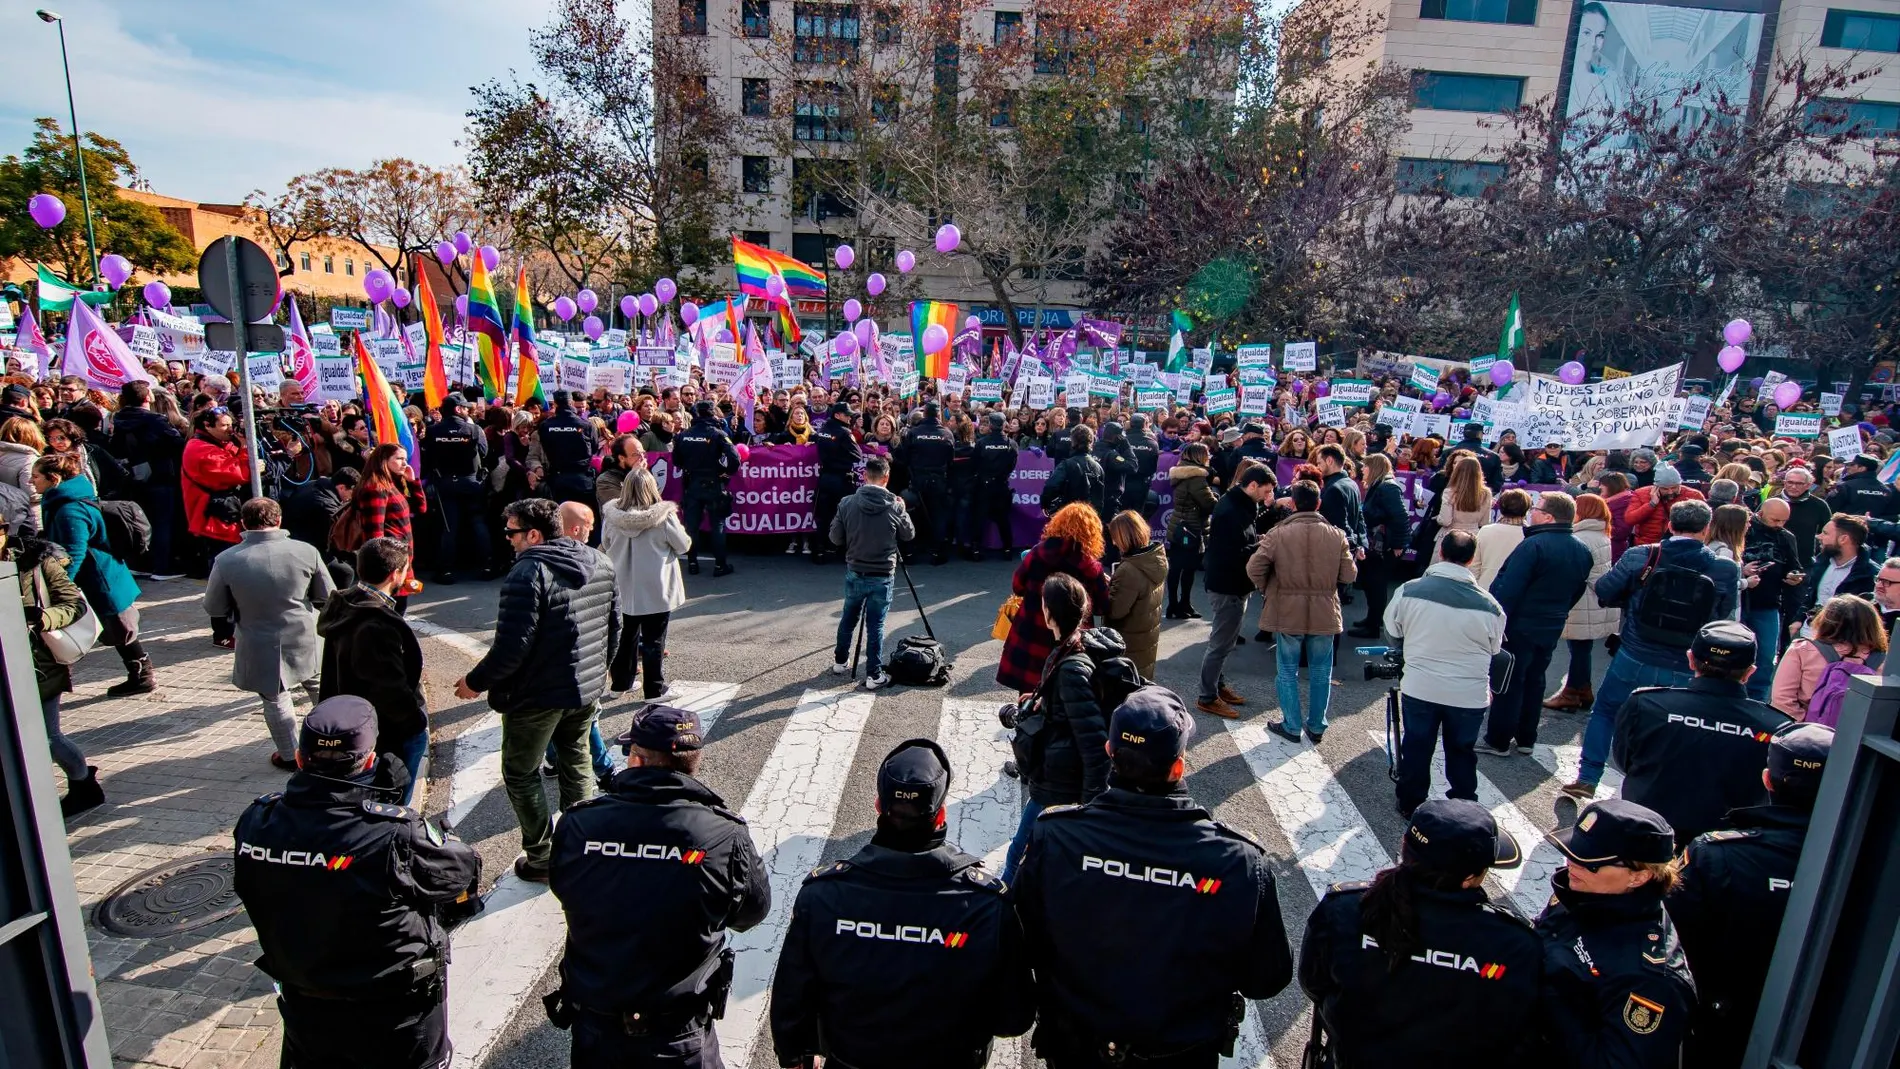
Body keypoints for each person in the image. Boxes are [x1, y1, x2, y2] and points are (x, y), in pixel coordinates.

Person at [1015, 685, 1294, 1068]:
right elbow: (1266, 979)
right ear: (1178, 766)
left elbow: (1021, 941)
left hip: (1074, 1045)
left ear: (1110, 752)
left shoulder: (1056, 835)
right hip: (1179, 1054)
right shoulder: (1239, 861)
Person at [233, 696, 480, 1069]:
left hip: (306, 1008)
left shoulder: (256, 820)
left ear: (299, 760)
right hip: (395, 1015)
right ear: (369, 760)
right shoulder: (395, 832)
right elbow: (461, 873)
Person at [771, 739, 1034, 1069]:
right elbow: (1015, 1018)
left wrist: (796, 1056)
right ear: (940, 814)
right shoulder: (987, 904)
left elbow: (791, 1000)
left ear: (879, 806)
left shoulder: (822, 894)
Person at [544, 703, 769, 1068]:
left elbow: (563, 886)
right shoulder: (725, 834)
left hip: (597, 1030)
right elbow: (751, 912)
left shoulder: (579, 824)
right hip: (681, 1034)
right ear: (692, 762)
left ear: (636, 761)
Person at [1300, 800, 1542, 1067]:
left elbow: (1314, 983)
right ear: (1469, 878)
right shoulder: (1514, 943)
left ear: (1405, 847)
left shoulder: (1345, 908)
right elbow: (1516, 1028)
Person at [453, 498, 619, 882]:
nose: (508, 540)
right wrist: (598, 673)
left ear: (533, 533)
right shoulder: (601, 562)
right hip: (583, 688)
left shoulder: (527, 573)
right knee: (576, 763)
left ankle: (542, 857)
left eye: (512, 532)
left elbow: (512, 647)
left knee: (521, 771)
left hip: (535, 696)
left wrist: (474, 683)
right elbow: (616, 629)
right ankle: (580, 846)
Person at [1670, 723, 1834, 1069]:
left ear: (1767, 779)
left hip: (1720, 1021)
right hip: (1828, 1026)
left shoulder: (1717, 853)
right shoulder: (1867, 860)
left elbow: (1672, 940)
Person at [1569, 499, 1739, 798]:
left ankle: (1588, 775)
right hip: (1686, 659)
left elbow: (1606, 590)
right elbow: (1723, 612)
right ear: (1706, 528)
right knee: (1672, 725)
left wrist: (1632, 599)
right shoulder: (1723, 567)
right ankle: (1654, 788)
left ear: (1670, 524)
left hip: (1636, 651)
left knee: (1607, 711)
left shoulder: (1643, 555)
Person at [1537, 799, 1697, 1069]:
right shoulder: (1582, 892)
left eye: (1592, 864)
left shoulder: (1651, 980)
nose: (1571, 866)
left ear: (1640, 877)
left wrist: (1542, 993)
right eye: (1573, 853)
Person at [1613, 622, 1788, 848]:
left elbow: (1624, 760)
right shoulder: (1776, 726)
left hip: (1644, 835)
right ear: (1750, 672)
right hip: (1725, 848)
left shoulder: (1646, 704)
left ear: (1690, 659)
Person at [204, 497, 336, 770]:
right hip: (304, 635)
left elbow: (214, 606)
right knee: (320, 687)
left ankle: (290, 755)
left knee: (274, 697)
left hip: (258, 638)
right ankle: (333, 742)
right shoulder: (306, 551)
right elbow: (327, 595)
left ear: (243, 523)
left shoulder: (226, 560)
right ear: (278, 520)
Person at [999, 573, 1111, 885]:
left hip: (1059, 781)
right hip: (1059, 773)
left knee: (1019, 852)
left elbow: (1093, 743)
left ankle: (1002, 908)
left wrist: (1092, 807)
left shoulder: (1072, 666)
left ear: (1050, 613)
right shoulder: (1072, 645)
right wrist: (1040, 701)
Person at [1383, 530, 1505, 816]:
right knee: (1462, 751)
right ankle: (1463, 806)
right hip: (1468, 693)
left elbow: (1392, 630)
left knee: (1416, 745)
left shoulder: (1409, 590)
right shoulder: (1491, 606)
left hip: (1421, 684)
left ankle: (1411, 802)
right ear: (1472, 559)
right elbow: (1495, 648)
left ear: (1441, 553)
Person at [33, 453, 159, 698]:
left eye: (36, 476)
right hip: (101, 577)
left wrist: (61, 585)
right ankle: (140, 673)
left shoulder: (69, 509)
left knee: (120, 629)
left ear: (54, 478)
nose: (31, 481)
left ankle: (143, 675)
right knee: (118, 629)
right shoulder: (65, 500)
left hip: (101, 580)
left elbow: (74, 552)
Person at [1482, 491, 1594, 757]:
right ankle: (1526, 738)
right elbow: (1577, 590)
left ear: (1548, 516)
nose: (1531, 512)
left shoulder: (1534, 545)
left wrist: (1497, 621)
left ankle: (1498, 740)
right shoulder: (1581, 549)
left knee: (1510, 680)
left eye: (1537, 508)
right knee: (1536, 679)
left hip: (1520, 624)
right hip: (1552, 623)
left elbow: (1509, 588)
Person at [317, 538, 429, 798]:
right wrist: (414, 721)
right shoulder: (376, 624)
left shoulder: (344, 605)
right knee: (394, 797)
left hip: (352, 720)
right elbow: (386, 684)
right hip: (386, 728)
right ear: (395, 574)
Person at [7, 518, 104, 814]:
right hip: (6, 667)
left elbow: (74, 605)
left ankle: (84, 784)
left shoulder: (35, 561)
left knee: (48, 737)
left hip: (39, 667)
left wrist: (44, 618)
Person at [1249, 480, 1356, 743]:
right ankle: (1317, 724)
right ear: (1318, 503)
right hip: (1324, 608)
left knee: (1287, 669)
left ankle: (1292, 724)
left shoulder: (1278, 533)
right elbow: (1350, 573)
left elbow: (1254, 568)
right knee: (1321, 671)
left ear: (1293, 504)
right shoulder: (1336, 534)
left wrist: (1268, 589)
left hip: (1287, 607)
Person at [600, 461, 692, 702]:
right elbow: (683, 545)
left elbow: (606, 544)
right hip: (656, 587)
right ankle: (654, 688)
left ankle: (620, 683)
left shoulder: (611, 517)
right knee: (654, 640)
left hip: (622, 585)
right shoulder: (664, 517)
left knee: (624, 637)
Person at [996, 503, 1110, 695]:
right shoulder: (1090, 566)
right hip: (1070, 638)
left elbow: (1018, 586)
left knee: (1027, 695)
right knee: (1062, 694)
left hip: (1031, 631)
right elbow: (1102, 607)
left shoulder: (1038, 552)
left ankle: (1026, 722)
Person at [823, 454, 916, 688]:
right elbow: (909, 535)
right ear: (887, 477)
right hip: (883, 573)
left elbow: (835, 538)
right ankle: (874, 674)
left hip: (855, 569)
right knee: (876, 625)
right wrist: (902, 510)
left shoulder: (846, 502)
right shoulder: (894, 505)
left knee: (848, 618)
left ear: (865, 476)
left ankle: (840, 661)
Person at [1196, 465, 1276, 719]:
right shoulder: (1231, 510)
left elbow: (1242, 541)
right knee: (1221, 644)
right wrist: (1259, 544)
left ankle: (1216, 686)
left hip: (1234, 583)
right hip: (1227, 584)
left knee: (1226, 642)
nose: (1267, 496)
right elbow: (1233, 552)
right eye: (1265, 490)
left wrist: (1256, 539)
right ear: (1252, 485)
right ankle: (1207, 696)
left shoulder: (1240, 504)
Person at [182, 406, 251, 639]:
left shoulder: (214, 443)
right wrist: (245, 451)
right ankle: (224, 632)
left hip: (224, 520)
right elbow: (237, 472)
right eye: (224, 425)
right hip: (215, 523)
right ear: (207, 427)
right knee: (224, 581)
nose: (230, 429)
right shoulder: (199, 449)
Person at [1549, 493, 1621, 712]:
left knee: (1579, 647)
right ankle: (1581, 689)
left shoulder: (1582, 537)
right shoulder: (1599, 533)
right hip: (1593, 600)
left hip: (1582, 600)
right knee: (1582, 648)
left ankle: (1572, 692)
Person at [109, 380, 186, 580]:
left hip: (134, 478)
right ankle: (162, 567)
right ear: (147, 397)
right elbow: (177, 443)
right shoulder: (155, 420)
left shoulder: (119, 419)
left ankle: (141, 563)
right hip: (160, 476)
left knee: (141, 521)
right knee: (162, 523)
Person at [1771, 592, 1887, 718]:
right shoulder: (1884, 660)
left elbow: (1781, 698)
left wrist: (1806, 728)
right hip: (1857, 733)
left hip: (1809, 732)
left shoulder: (1803, 649)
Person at [422, 394, 489, 583]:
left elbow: (428, 457)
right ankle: (486, 566)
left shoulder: (433, 431)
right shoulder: (474, 429)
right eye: (465, 408)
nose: (468, 410)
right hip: (470, 482)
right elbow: (484, 452)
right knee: (477, 522)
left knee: (449, 527)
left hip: (445, 484)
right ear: (458, 410)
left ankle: (446, 571)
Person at [1739, 497, 1801, 700]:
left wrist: (1793, 577)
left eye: (1784, 521)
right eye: (1775, 520)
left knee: (1765, 656)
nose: (1780, 525)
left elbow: (1794, 565)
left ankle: (1756, 700)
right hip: (1740, 600)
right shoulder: (1744, 529)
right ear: (1761, 513)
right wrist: (1742, 571)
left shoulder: (1786, 537)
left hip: (1768, 603)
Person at [674, 400, 741, 577]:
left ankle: (692, 563)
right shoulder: (718, 434)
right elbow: (735, 458)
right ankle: (720, 565)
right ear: (712, 414)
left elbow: (676, 460)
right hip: (713, 483)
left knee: (692, 527)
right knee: (717, 524)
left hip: (692, 484)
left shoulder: (684, 435)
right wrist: (726, 473)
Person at [1350, 452, 1410, 638]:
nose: (1362, 470)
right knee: (1370, 583)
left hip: (1384, 547)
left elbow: (1400, 517)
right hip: (1376, 545)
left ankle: (1374, 626)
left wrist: (1399, 544)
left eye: (1365, 467)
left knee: (1377, 584)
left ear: (1374, 467)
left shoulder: (1387, 488)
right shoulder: (1379, 486)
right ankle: (1371, 619)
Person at [1105, 510, 1166, 677]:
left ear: (1125, 538)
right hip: (1145, 642)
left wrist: (1107, 588)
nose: (1114, 543)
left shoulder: (1129, 570)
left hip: (1128, 646)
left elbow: (1115, 611)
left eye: (1116, 538)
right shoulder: (1154, 558)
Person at [1165, 442, 1220, 620]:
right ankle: (1182, 603)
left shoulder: (1181, 473)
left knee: (1177, 567)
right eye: (1207, 454)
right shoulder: (1196, 478)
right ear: (1199, 456)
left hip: (1179, 527)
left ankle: (1176, 604)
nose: (1209, 457)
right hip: (1191, 529)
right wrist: (1216, 496)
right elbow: (1209, 504)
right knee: (1187, 568)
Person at [898, 400, 956, 564]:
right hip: (938, 480)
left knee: (912, 515)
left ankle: (909, 552)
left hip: (918, 480)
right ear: (938, 414)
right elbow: (951, 460)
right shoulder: (947, 434)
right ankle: (937, 552)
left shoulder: (914, 432)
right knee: (938, 516)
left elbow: (904, 458)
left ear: (924, 414)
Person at [1794, 513, 1877, 623]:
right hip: (1808, 631)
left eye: (1825, 533)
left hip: (1839, 637)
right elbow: (1810, 595)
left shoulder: (1869, 574)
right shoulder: (1821, 562)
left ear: (1843, 539)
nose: (1819, 536)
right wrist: (1798, 620)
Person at [810, 401, 864, 564]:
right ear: (837, 415)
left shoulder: (823, 429)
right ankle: (843, 551)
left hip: (825, 478)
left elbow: (814, 439)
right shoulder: (845, 432)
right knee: (845, 515)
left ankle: (819, 551)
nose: (849, 418)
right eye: (847, 415)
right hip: (842, 479)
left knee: (822, 516)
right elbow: (857, 455)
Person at [538, 390, 600, 508]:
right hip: (582, 480)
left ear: (555, 404)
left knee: (560, 518)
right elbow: (594, 447)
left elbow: (545, 446)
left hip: (558, 480)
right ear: (571, 403)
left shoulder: (546, 425)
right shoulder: (586, 425)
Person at [970, 411, 1019, 558]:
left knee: (979, 517)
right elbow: (1012, 465)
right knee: (1003, 518)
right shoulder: (1012, 444)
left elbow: (975, 464)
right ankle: (1007, 549)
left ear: (990, 425)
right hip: (1001, 485)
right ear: (1004, 425)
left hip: (984, 485)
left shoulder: (981, 443)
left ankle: (976, 550)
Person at [1045, 424, 1108, 523]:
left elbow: (1051, 486)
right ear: (1091, 442)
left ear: (1072, 441)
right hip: (1090, 519)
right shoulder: (1098, 467)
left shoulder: (1066, 465)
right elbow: (1101, 497)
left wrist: (1045, 504)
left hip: (1069, 516)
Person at [1434, 455, 1492, 558]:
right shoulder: (1486, 493)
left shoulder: (1450, 492)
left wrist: (1438, 517)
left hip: (1450, 536)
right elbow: (1485, 522)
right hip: (1473, 537)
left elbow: (1445, 520)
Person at [1473, 488, 1533, 589]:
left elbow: (1474, 566)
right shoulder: (1531, 536)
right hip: (1516, 592)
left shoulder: (1485, 531)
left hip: (1484, 588)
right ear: (1527, 508)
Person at [1777, 465, 1832, 567]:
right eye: (1790, 482)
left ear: (1808, 485)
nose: (1793, 487)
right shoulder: (1772, 503)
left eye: (1799, 484)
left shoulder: (1819, 506)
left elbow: (1828, 533)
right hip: (1775, 561)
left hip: (1805, 563)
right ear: (1784, 483)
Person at [1124, 413, 1160, 512]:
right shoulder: (1152, 444)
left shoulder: (1122, 441)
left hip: (1124, 482)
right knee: (1138, 515)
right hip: (1142, 485)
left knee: (1123, 514)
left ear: (1130, 424)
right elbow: (1153, 468)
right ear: (1145, 425)